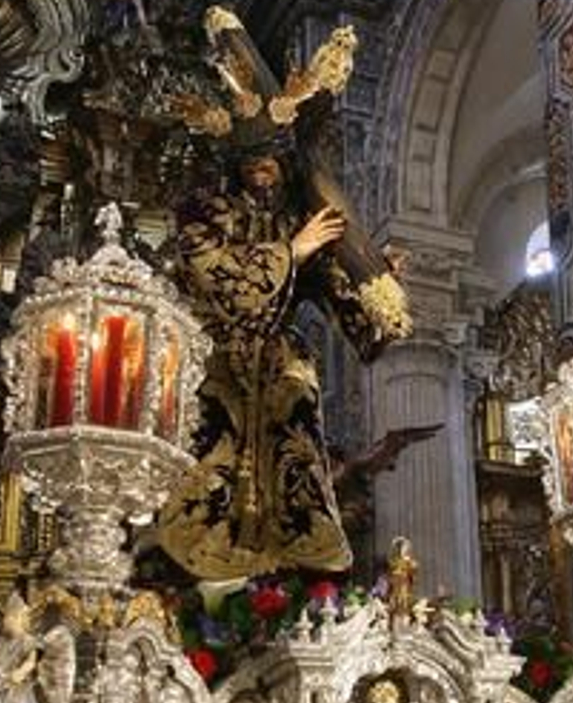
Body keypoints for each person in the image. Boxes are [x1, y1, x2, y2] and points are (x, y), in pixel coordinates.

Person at [158, 144, 410, 581]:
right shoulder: (204, 210)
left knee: (295, 461)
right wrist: (289, 252)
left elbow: (340, 297)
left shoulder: (295, 219)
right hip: (216, 362)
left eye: (272, 154)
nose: (262, 164)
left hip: (281, 368)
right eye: (251, 152)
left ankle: (292, 574)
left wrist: (376, 286)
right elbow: (210, 272)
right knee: (210, 468)